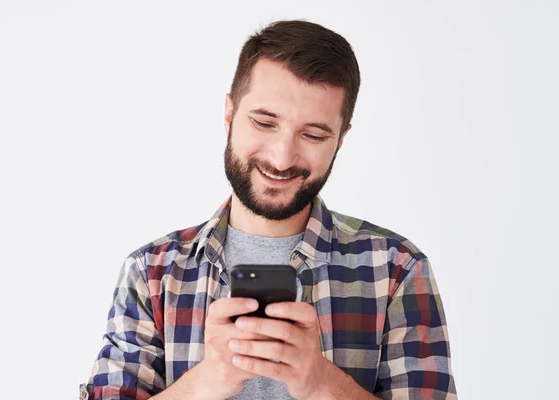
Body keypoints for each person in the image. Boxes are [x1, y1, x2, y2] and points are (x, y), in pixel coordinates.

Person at [80, 19, 457, 400]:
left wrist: (321, 384)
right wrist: (207, 382)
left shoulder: (396, 270)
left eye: (313, 135)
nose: (282, 158)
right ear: (229, 114)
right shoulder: (152, 274)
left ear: (341, 139)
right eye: (264, 122)